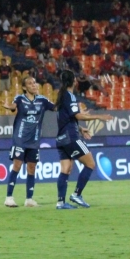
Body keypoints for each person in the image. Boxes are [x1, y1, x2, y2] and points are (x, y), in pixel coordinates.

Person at [54, 70, 113, 209]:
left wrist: (80, 129)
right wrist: (99, 116)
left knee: (65, 170)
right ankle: (77, 194)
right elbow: (78, 116)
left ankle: (61, 203)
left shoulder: (61, 96)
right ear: (73, 81)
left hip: (61, 138)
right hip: (71, 137)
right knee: (90, 164)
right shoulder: (70, 96)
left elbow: (66, 119)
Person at [2, 76, 55, 208]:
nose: (34, 85)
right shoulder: (20, 99)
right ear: (24, 87)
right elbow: (13, 106)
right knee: (17, 166)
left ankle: (29, 199)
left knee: (32, 168)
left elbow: (56, 107)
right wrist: (9, 107)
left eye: (35, 83)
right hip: (20, 139)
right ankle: (9, 198)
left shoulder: (42, 100)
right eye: (30, 83)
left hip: (34, 140)